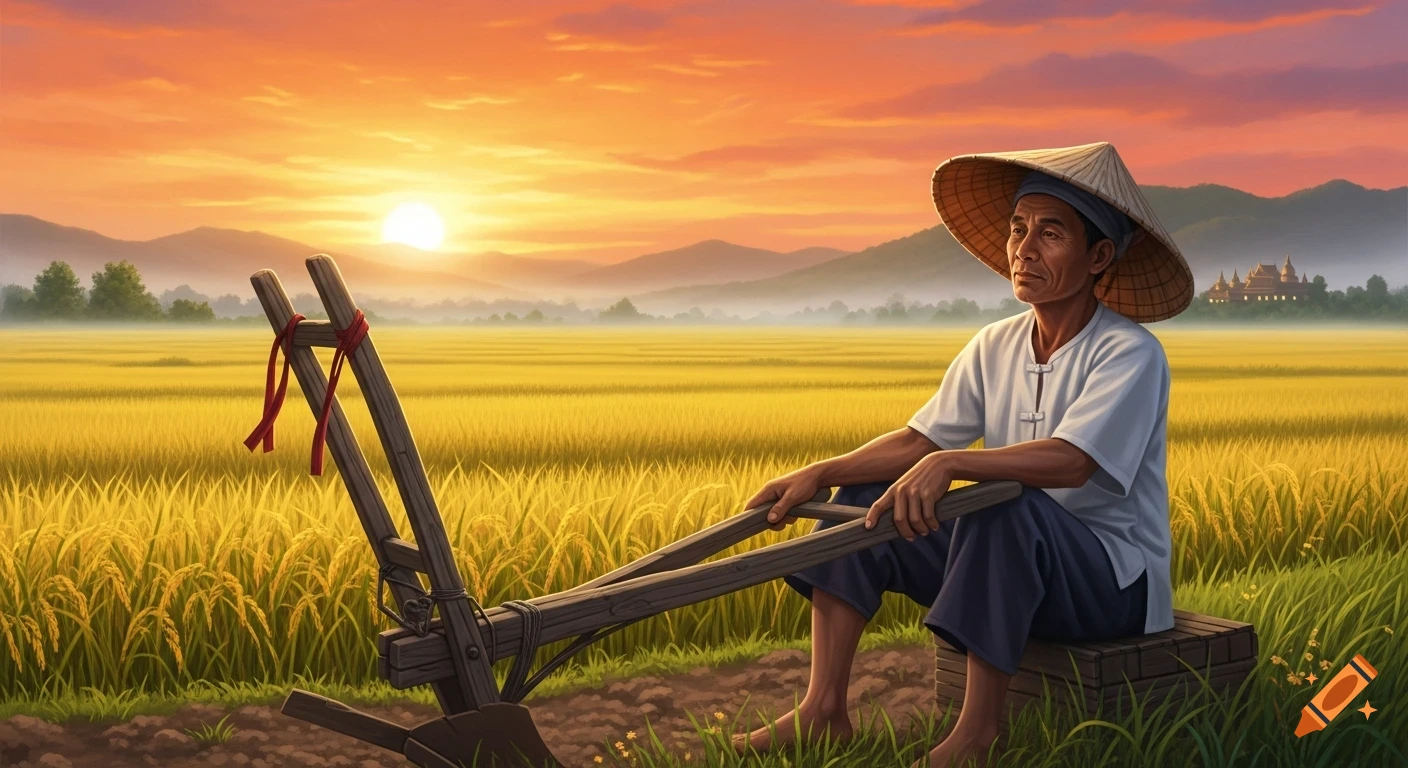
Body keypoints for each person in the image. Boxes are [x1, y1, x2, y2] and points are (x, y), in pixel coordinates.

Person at [734, 142, 1195, 767]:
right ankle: (823, 709)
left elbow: (1071, 462)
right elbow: (921, 441)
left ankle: (976, 736)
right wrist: (819, 472)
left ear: (1099, 257)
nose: (1024, 249)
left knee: (1003, 508)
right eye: (1018, 229)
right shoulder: (994, 343)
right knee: (868, 499)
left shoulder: (1130, 353)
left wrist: (957, 464)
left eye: (1050, 233)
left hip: (1109, 582)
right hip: (1012, 559)